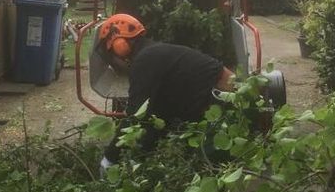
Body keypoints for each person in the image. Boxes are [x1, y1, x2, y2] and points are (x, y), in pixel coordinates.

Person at [97, 13, 234, 168]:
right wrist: (144, 151)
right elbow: (157, 111)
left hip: (223, 106)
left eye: (112, 57)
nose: (114, 64)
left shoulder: (145, 61)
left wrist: (110, 158)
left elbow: (136, 116)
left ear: (119, 45)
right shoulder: (151, 53)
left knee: (206, 165)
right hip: (215, 105)